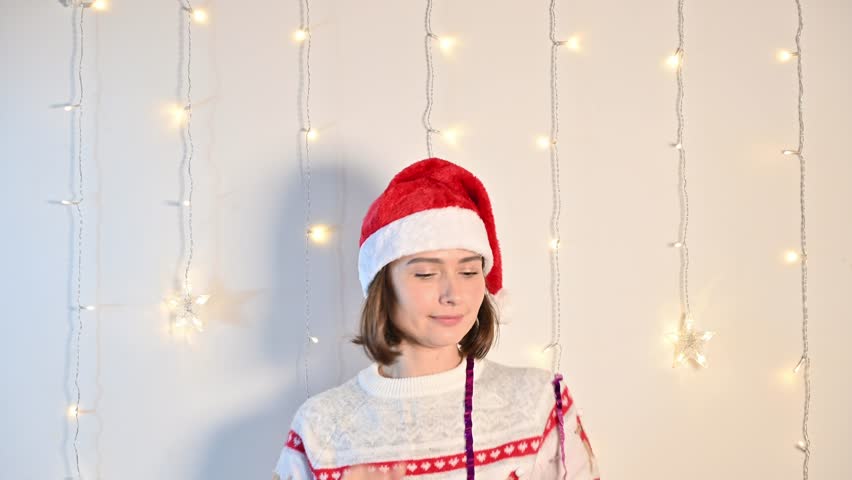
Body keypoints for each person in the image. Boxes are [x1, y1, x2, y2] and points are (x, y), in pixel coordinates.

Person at [273, 158, 600, 479]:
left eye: (469, 272)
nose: (453, 294)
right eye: (426, 274)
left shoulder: (541, 402)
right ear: (382, 286)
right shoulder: (320, 427)